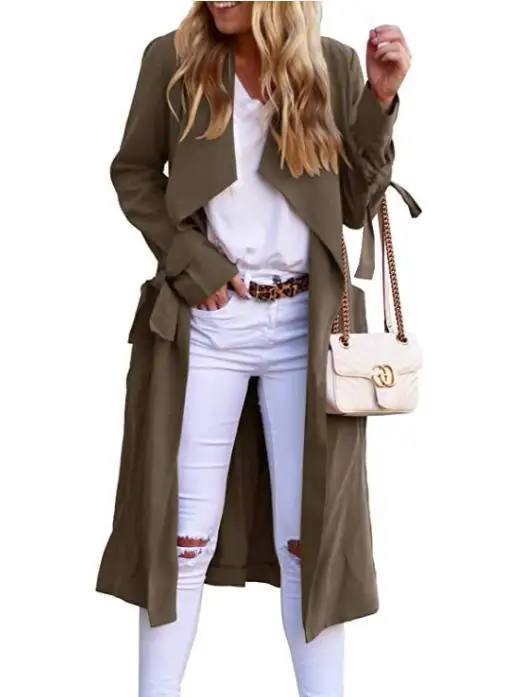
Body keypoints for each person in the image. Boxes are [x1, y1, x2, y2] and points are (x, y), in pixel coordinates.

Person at [96, 2, 414, 695]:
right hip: (206, 325)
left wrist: (380, 100)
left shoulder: (332, 65)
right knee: (180, 537)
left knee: (310, 539)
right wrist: (192, 262)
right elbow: (135, 173)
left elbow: (355, 205)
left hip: (308, 327)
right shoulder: (172, 59)